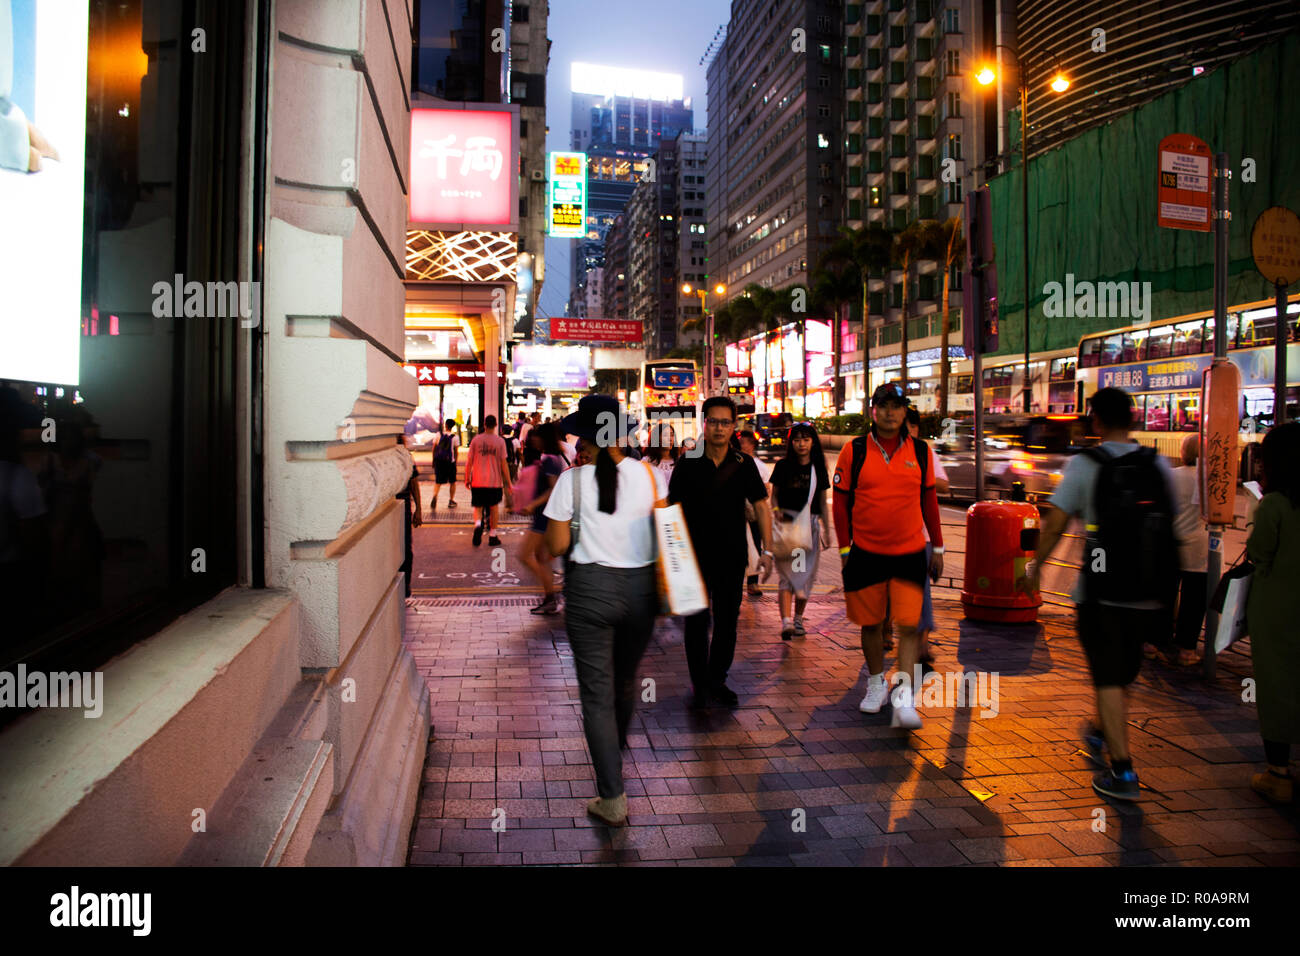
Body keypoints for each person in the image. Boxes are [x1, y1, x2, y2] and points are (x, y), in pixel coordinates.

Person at [1022, 387, 1179, 801]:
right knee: (1122, 672)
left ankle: (1123, 771)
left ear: (1096, 421)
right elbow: (1170, 528)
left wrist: (1035, 568)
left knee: (1108, 676)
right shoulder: (1157, 463)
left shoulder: (1086, 465)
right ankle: (1099, 727)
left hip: (1101, 590)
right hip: (1148, 594)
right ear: (1134, 419)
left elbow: (1055, 524)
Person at [543, 394, 666, 826]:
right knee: (625, 681)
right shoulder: (653, 477)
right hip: (641, 593)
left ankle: (612, 796)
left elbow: (556, 546)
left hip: (589, 593)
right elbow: (665, 537)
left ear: (592, 436)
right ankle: (614, 749)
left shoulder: (570, 482)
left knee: (596, 694)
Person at [833, 383, 944, 730]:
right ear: (873, 410)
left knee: (909, 626)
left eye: (897, 406)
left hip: (910, 551)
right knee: (872, 624)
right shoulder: (854, 451)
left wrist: (937, 546)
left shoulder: (922, 452)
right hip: (865, 551)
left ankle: (905, 697)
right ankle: (876, 683)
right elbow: (840, 504)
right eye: (885, 405)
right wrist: (845, 548)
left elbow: (929, 502)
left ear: (904, 411)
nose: (891, 412)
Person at [668, 396, 775, 708]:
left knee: (728, 621)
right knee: (697, 623)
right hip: (693, 557)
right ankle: (700, 684)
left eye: (725, 422)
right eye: (713, 421)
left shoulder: (744, 465)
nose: (718, 428)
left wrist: (766, 551)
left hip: (731, 556)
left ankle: (718, 679)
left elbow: (761, 507)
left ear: (734, 426)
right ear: (704, 423)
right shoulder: (688, 462)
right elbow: (673, 508)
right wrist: (671, 555)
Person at [1244, 421, 1300, 803]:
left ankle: (1278, 773)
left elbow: (1260, 553)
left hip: (1278, 609)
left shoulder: (1275, 504)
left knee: (1277, 685)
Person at [1146, 434, 1207, 666]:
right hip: (1200, 550)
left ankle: (1152, 644)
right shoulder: (1209, 479)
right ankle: (1186, 650)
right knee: (1194, 601)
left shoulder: (1169, 476)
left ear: (1183, 452)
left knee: (1163, 597)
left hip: (1169, 546)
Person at [769, 423, 831, 639]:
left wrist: (827, 530)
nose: (801, 444)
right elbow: (774, 495)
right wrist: (775, 510)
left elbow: (822, 502)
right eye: (796, 440)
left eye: (805, 439)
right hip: (787, 526)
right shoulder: (783, 466)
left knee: (805, 578)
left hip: (811, 527)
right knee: (788, 576)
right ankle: (786, 621)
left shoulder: (818, 469)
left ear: (812, 442)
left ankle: (798, 618)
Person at [905, 406, 948, 669]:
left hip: (920, 538)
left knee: (921, 593)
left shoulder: (924, 452)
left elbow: (942, 485)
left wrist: (939, 548)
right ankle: (887, 632)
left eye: (912, 426)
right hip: (889, 538)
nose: (908, 431)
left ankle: (921, 646)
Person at [517, 423, 567, 615]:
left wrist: (533, 504)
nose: (533, 440)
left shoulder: (551, 461)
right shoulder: (548, 458)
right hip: (543, 515)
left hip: (544, 517)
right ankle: (550, 598)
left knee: (524, 556)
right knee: (540, 557)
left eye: (536, 437)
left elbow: (553, 489)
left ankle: (552, 594)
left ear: (543, 438)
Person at [465, 414, 512, 547]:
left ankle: (478, 525)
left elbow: (469, 461)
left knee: (478, 507)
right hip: (494, 481)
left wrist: (467, 477)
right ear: (496, 425)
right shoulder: (500, 441)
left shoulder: (475, 440)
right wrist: (509, 483)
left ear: (484, 425)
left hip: (478, 480)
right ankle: (492, 535)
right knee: (494, 508)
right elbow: (504, 464)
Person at [738, 429, 772, 598]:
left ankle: (753, 582)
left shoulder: (759, 465)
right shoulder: (733, 461)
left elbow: (766, 490)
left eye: (745, 442)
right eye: (740, 441)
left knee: (756, 543)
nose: (742, 444)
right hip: (736, 510)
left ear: (752, 445)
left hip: (753, 510)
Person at [430, 419, 460, 510]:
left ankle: (435, 495)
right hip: (450, 462)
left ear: (445, 425)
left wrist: (433, 460)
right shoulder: (455, 437)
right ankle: (451, 500)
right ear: (452, 426)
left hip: (439, 461)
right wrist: (455, 462)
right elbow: (456, 451)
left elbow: (434, 448)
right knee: (452, 482)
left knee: (438, 481)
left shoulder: (439, 434)